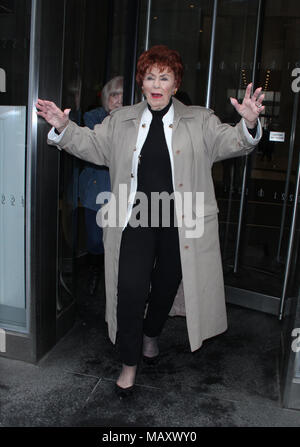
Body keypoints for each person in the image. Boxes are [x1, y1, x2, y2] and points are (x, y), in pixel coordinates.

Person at [36, 45, 264, 397]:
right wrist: (65, 128)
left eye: (165, 77)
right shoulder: (122, 120)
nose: (156, 84)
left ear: (175, 84)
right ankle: (129, 363)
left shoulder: (199, 120)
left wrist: (248, 123)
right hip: (136, 218)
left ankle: (151, 332)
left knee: (166, 286)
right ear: (141, 82)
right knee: (129, 289)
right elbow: (92, 146)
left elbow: (231, 141)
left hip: (181, 219)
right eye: (150, 77)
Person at [79, 76, 123, 295]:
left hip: (122, 191)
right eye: (114, 95)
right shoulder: (93, 117)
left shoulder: (135, 122)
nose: (118, 100)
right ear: (106, 97)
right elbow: (99, 150)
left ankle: (113, 280)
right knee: (95, 239)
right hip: (96, 189)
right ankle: (95, 271)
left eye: (123, 95)